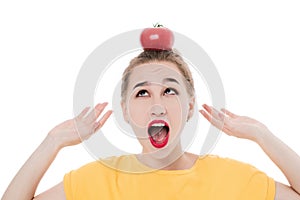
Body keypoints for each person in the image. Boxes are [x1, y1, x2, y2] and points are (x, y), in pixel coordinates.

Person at [2, 49, 300, 200]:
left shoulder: (233, 178)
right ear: (126, 111)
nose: (157, 104)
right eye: (142, 92)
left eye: (170, 90)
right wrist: (51, 142)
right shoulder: (97, 180)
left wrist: (263, 135)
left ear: (190, 107)